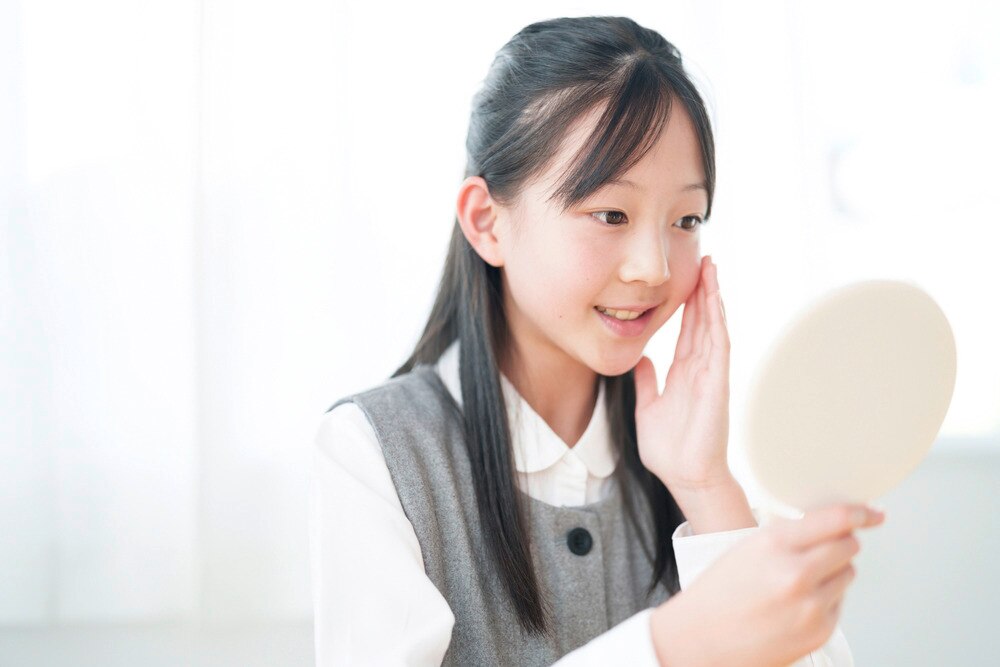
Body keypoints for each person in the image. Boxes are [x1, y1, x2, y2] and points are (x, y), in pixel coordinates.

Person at [309, 15, 886, 666]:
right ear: (486, 221)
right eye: (611, 213)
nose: (655, 267)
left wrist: (706, 488)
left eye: (685, 219)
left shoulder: (686, 457)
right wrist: (671, 644)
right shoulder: (374, 452)